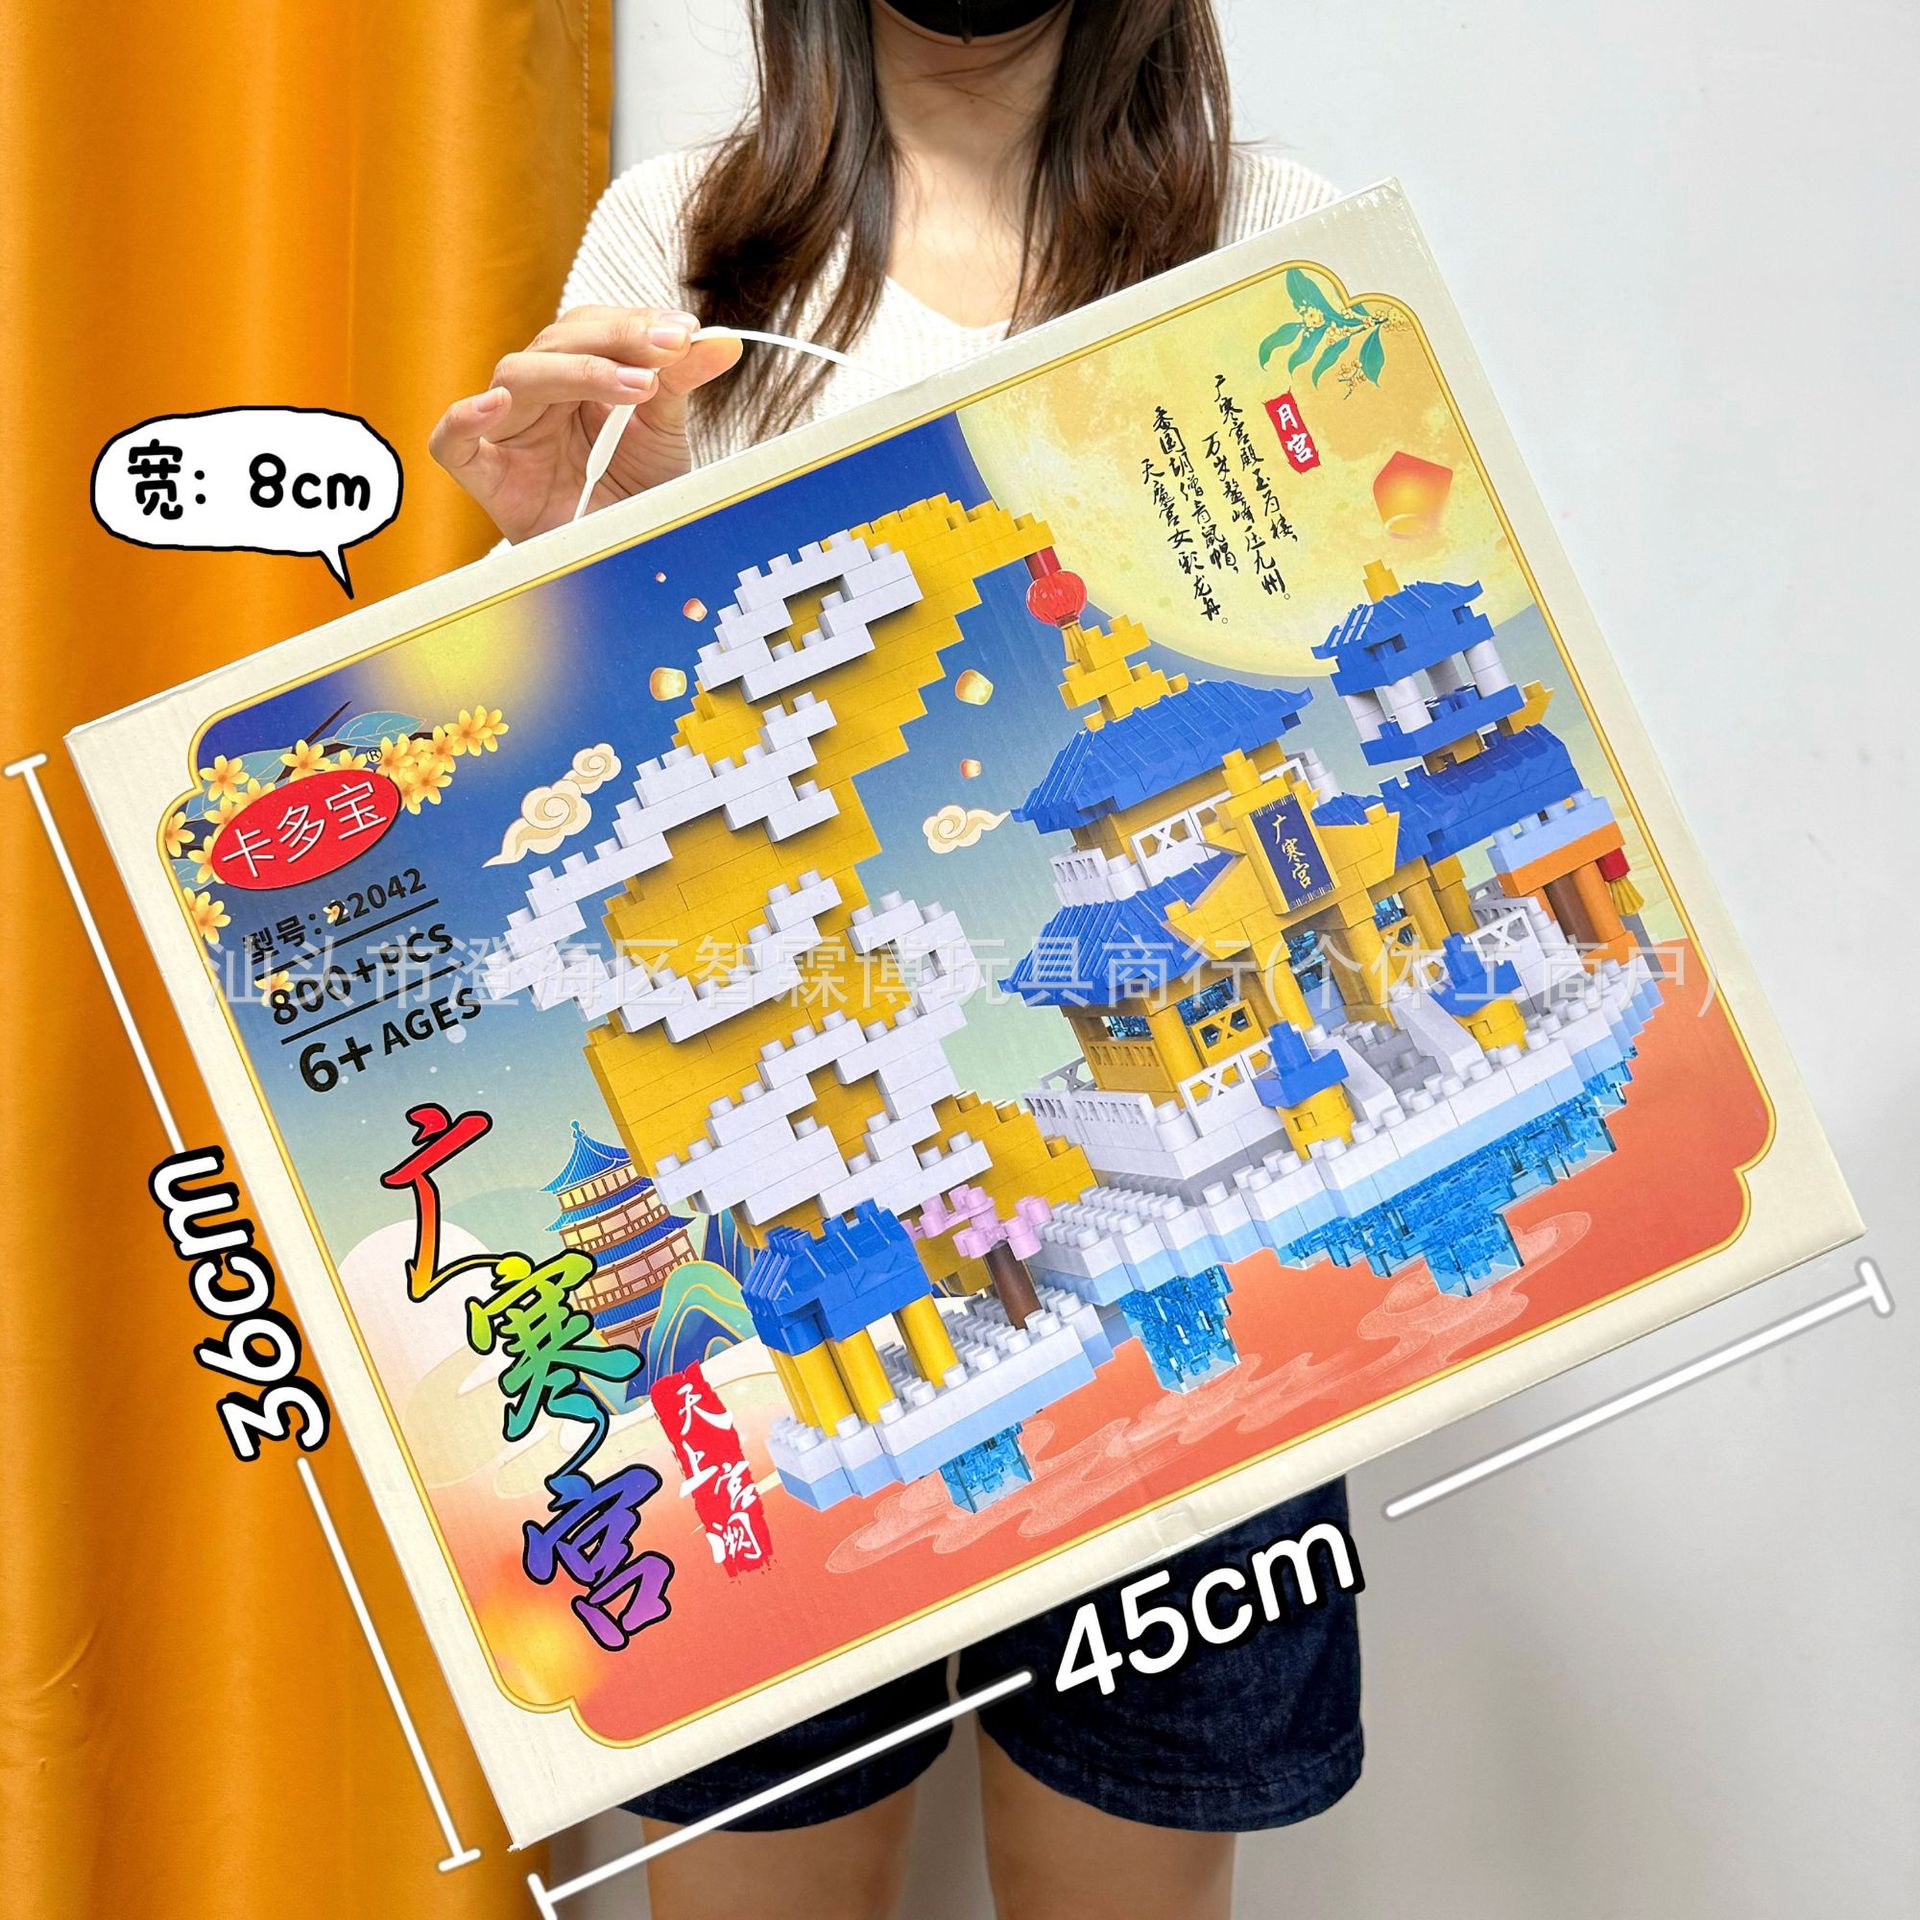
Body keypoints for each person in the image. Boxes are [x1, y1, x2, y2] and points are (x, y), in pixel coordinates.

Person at [431, 5, 1360, 1916]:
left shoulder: (1276, 233)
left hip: (1198, 1281)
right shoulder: (687, 239)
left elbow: (1333, 655)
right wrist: (557, 548)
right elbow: (598, 784)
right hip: (794, 1148)